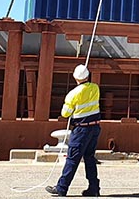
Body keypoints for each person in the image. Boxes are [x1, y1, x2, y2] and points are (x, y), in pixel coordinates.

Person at [46, 64, 101, 197]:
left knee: (72, 159)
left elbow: (65, 113)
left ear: (75, 78)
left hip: (81, 130)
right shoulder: (95, 88)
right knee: (89, 158)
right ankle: (94, 188)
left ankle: (61, 188)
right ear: (87, 76)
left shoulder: (73, 94)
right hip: (95, 128)